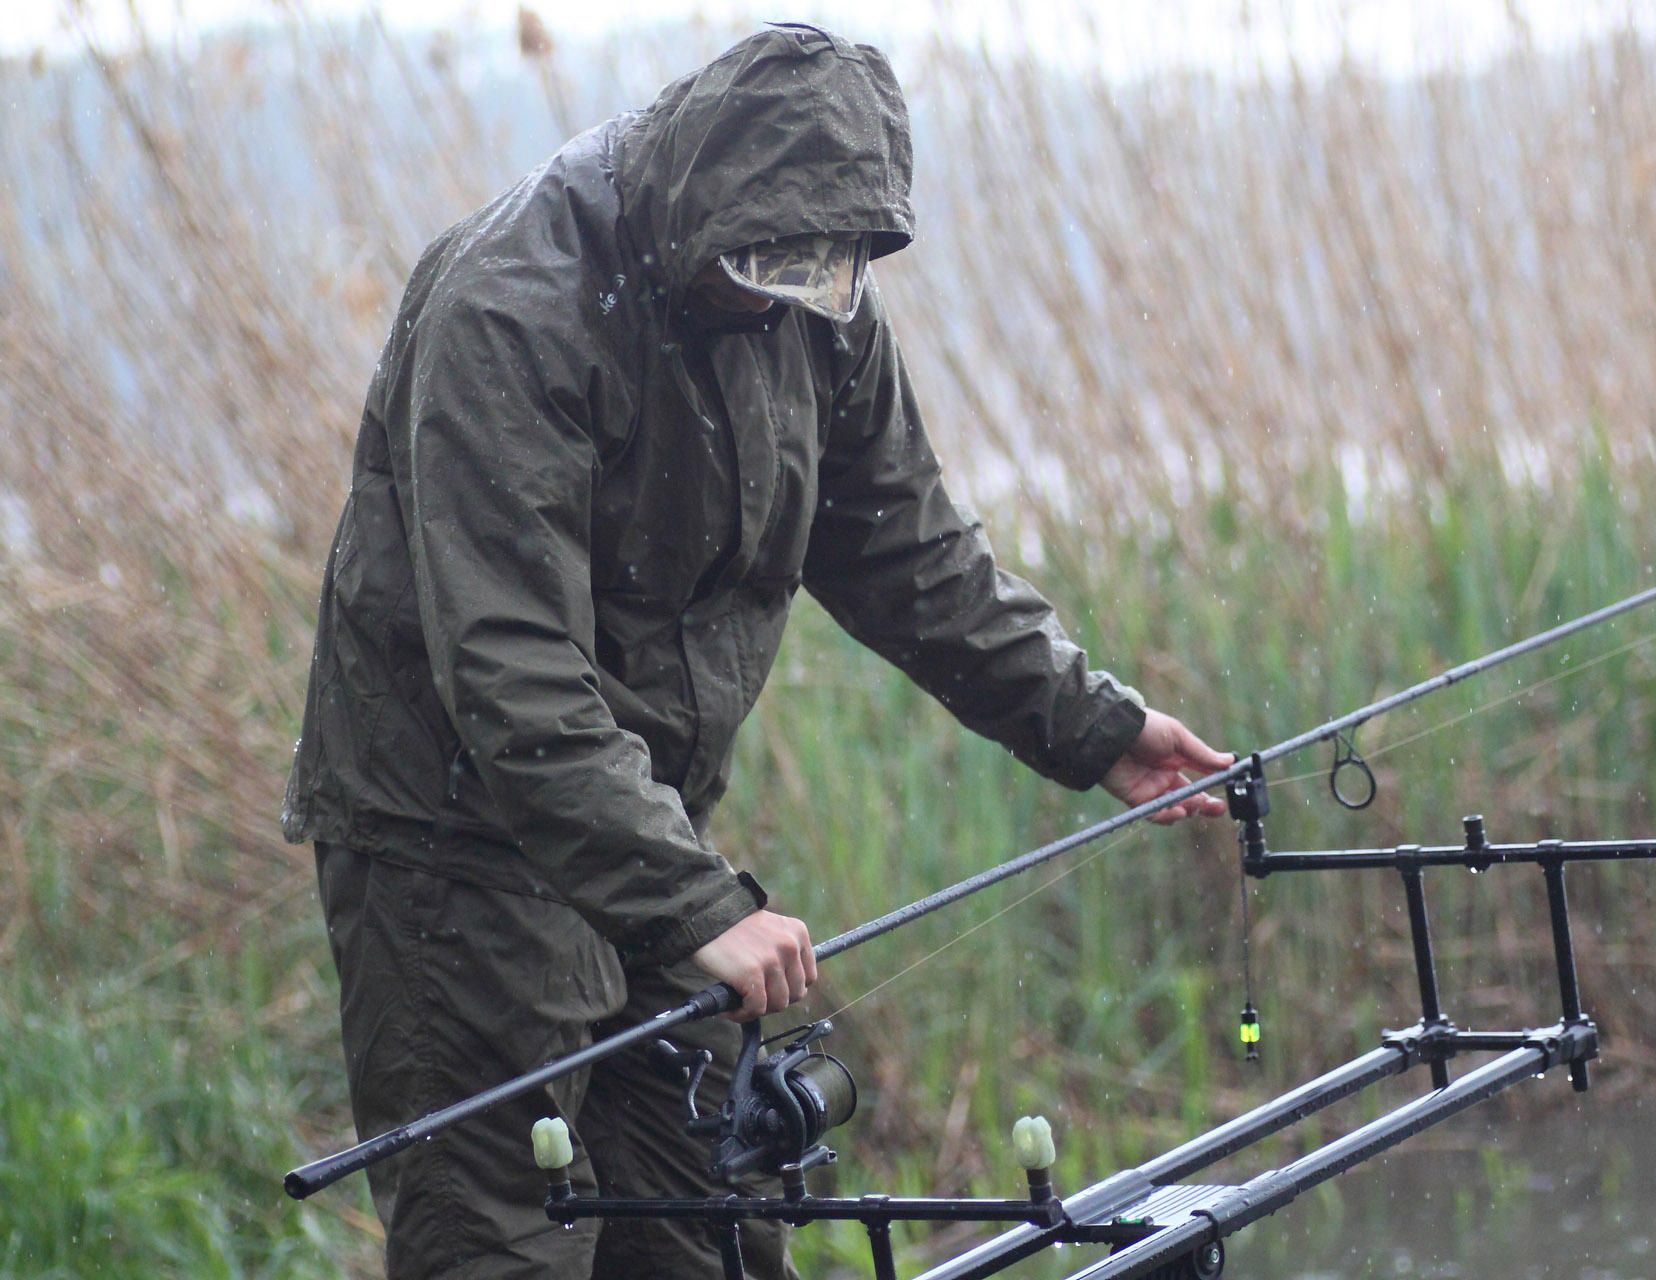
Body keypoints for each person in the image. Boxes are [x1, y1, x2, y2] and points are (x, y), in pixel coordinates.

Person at [283, 23, 1231, 1280]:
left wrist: (1094, 726)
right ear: (700, 204)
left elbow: (909, 549)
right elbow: (512, 671)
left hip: (647, 825)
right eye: (764, 260)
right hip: (449, 847)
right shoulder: (510, 307)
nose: (793, 289)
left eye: (825, 266)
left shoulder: (822, 293)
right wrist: (697, 907)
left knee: (714, 1232)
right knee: (501, 1247)